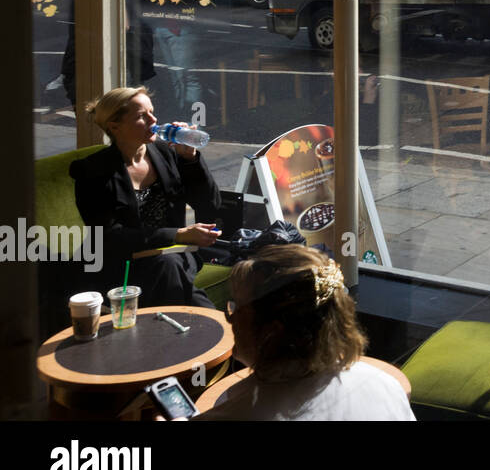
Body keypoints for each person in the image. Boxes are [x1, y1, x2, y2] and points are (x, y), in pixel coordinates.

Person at [199, 245, 415, 420]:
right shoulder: (384, 386)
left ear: (271, 333)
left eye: (236, 308)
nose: (231, 318)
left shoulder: (237, 413)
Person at [70, 87, 222, 308]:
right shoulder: (92, 171)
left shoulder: (167, 153)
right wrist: (177, 234)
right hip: (124, 264)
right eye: (142, 116)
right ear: (114, 126)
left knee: (169, 264)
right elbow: (109, 237)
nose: (154, 120)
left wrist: (190, 159)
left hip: (173, 257)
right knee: (191, 296)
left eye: (152, 112)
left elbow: (210, 204)